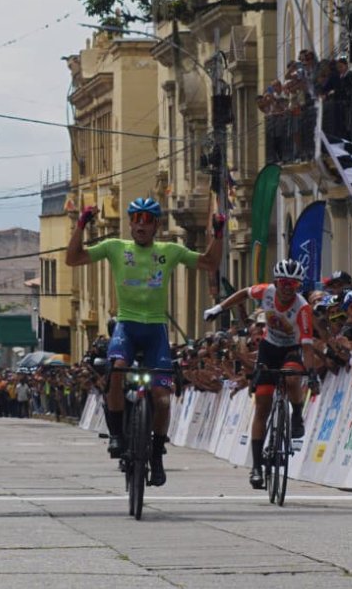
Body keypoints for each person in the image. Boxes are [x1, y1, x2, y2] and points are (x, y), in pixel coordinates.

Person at [65, 197, 224, 486]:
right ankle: (115, 435)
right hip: (126, 325)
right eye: (135, 219)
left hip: (155, 331)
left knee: (161, 399)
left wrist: (219, 234)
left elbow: (210, 262)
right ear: (129, 223)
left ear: (156, 225)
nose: (140, 225)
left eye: (147, 220)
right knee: (117, 370)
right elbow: (72, 259)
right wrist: (81, 225)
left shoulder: (170, 251)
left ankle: (157, 453)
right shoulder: (116, 248)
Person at [202, 258, 315, 490]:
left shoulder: (302, 308)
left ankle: (296, 414)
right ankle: (256, 467)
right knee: (262, 404)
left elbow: (307, 346)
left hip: (291, 350)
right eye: (283, 283)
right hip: (269, 348)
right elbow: (243, 293)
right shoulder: (266, 292)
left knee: (293, 377)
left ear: (298, 287)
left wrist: (311, 373)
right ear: (276, 282)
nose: (286, 289)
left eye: (292, 285)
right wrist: (219, 308)